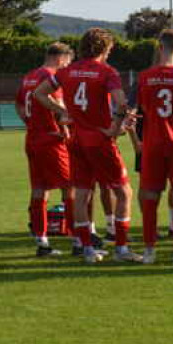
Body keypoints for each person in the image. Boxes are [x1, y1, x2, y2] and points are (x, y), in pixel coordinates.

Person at [34, 28, 140, 264]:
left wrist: (63, 112)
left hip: (76, 139)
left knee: (82, 193)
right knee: (123, 191)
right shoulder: (107, 72)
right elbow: (122, 102)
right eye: (110, 49)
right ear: (104, 49)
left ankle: (87, 249)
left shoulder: (66, 71)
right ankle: (121, 248)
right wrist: (116, 127)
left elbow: (39, 94)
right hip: (100, 140)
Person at [136, 29, 173, 265]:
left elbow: (142, 109)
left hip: (153, 142)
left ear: (159, 47)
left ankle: (149, 251)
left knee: (150, 195)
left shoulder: (144, 77)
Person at [16, 42, 74, 257]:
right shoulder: (51, 77)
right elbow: (58, 108)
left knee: (39, 189)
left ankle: (42, 241)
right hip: (52, 140)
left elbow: (20, 106)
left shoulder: (29, 76)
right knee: (70, 187)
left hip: (32, 139)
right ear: (60, 58)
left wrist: (31, 123)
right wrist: (65, 127)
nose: (67, 67)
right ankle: (78, 238)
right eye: (67, 63)